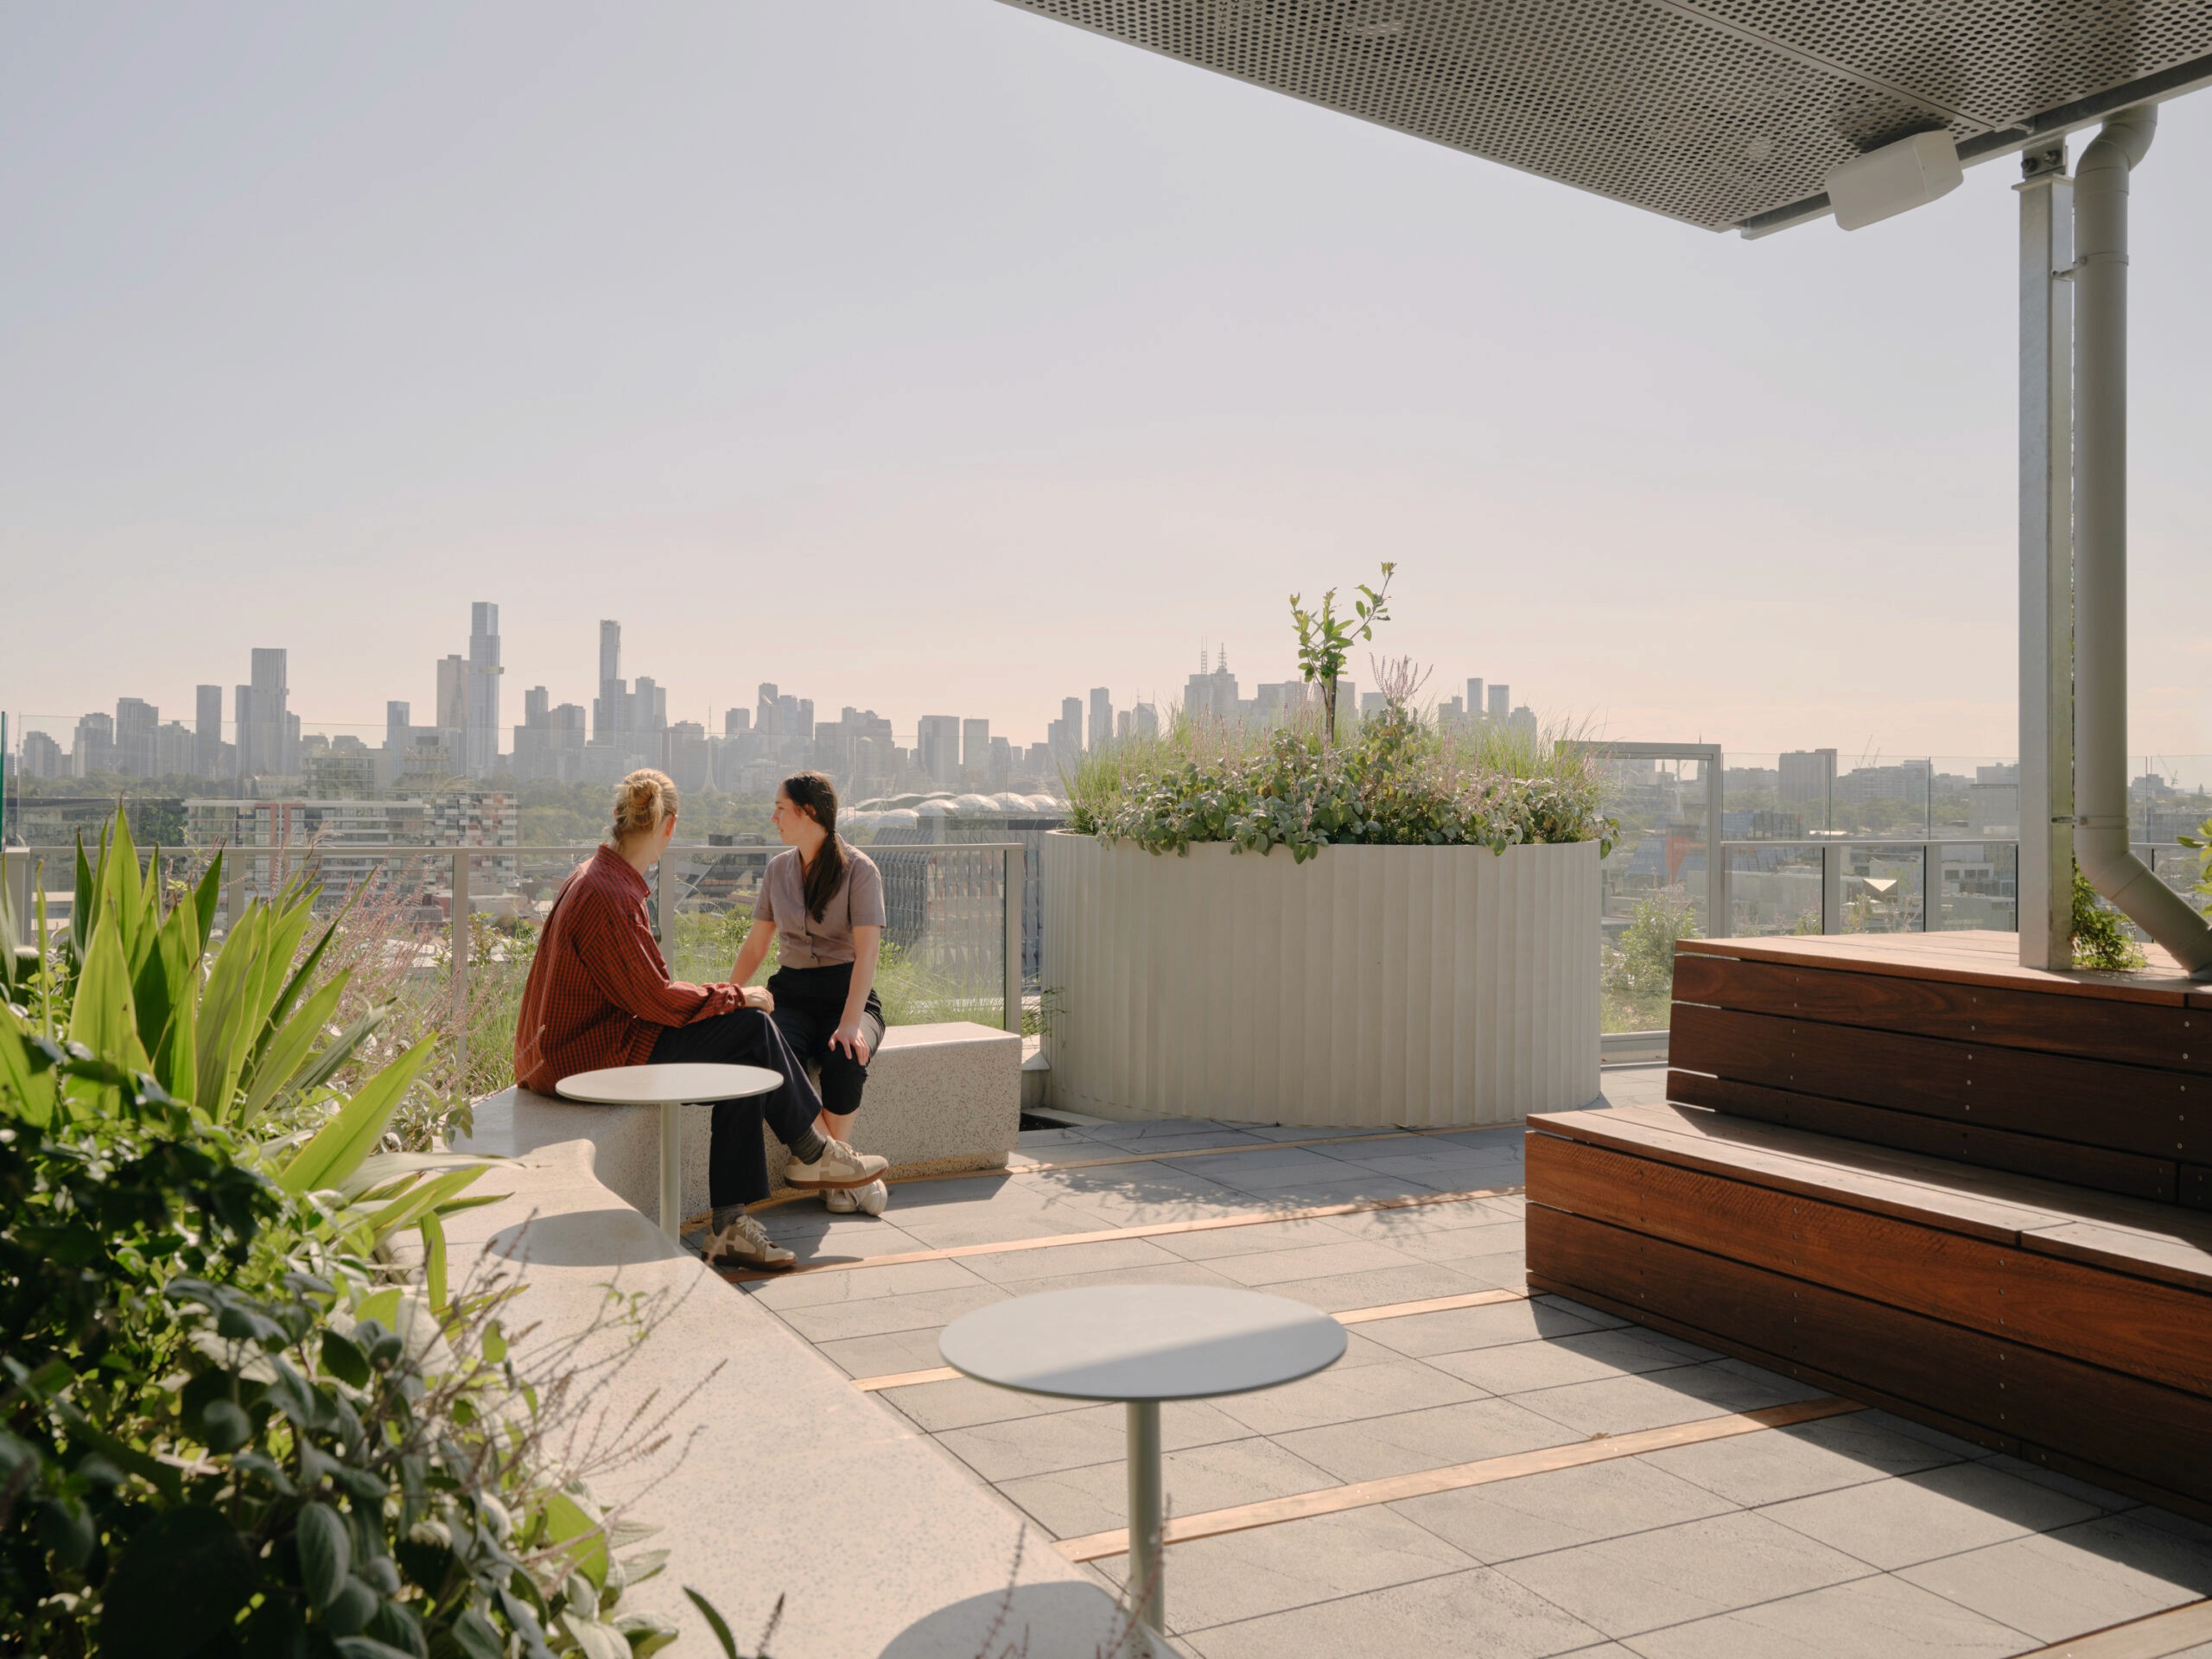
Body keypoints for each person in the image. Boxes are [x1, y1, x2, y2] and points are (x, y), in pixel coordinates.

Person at [512, 768, 888, 1270]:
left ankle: (734, 1224)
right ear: (669, 827)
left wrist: (728, 1000)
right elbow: (654, 999)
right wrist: (732, 996)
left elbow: (645, 995)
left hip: (581, 1046)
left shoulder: (599, 878)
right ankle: (812, 1152)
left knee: (745, 1057)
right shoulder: (609, 895)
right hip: (588, 1055)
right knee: (751, 1031)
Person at [729, 771, 890, 1216]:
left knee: (845, 1057)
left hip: (848, 993)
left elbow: (867, 956)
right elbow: (757, 945)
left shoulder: (860, 870)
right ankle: (847, 1175)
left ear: (809, 813)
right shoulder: (777, 870)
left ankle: (832, 1171)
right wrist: (727, 995)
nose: (774, 816)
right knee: (772, 1059)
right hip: (792, 994)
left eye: (781, 808)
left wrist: (852, 1022)